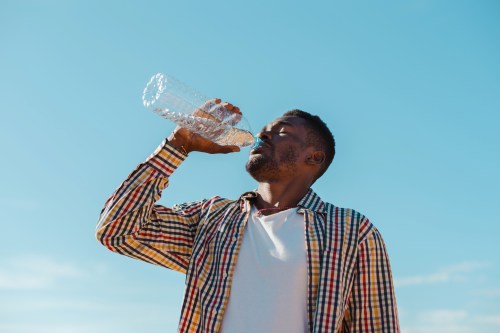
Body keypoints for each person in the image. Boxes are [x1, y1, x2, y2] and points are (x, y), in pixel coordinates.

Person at [96, 99, 400, 333]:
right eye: (264, 130)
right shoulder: (212, 220)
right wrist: (179, 145)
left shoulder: (349, 231)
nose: (263, 135)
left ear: (314, 157)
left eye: (282, 131)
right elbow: (117, 231)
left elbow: (376, 326)